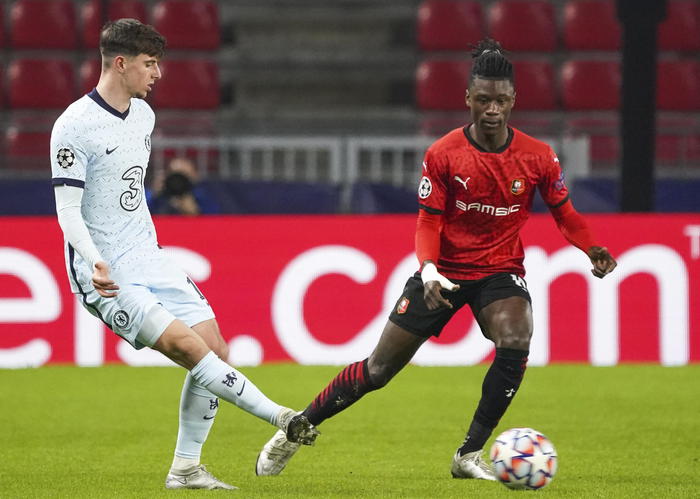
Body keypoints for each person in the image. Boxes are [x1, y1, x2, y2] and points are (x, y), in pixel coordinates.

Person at [255, 38, 617, 479]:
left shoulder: (537, 156)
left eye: (501, 101)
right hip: (442, 273)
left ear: (513, 100)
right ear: (468, 98)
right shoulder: (444, 154)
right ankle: (296, 429)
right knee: (378, 370)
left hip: (499, 270)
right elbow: (428, 222)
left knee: (516, 336)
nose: (492, 109)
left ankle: (469, 453)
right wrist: (428, 271)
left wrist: (590, 246)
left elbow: (566, 213)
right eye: (483, 99)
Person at [50, 18, 318, 490]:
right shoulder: (73, 126)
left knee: (216, 349)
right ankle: (282, 417)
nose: (157, 73)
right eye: (149, 64)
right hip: (105, 270)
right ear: (121, 63)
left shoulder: (143, 115)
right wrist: (94, 260)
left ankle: (186, 469)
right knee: (189, 349)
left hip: (148, 255)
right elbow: (68, 211)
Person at [149, 157, 219, 215]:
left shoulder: (203, 195)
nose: (178, 182)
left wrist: (196, 212)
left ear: (194, 175)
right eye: (175, 175)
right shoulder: (161, 197)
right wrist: (154, 194)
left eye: (182, 176)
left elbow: (216, 217)